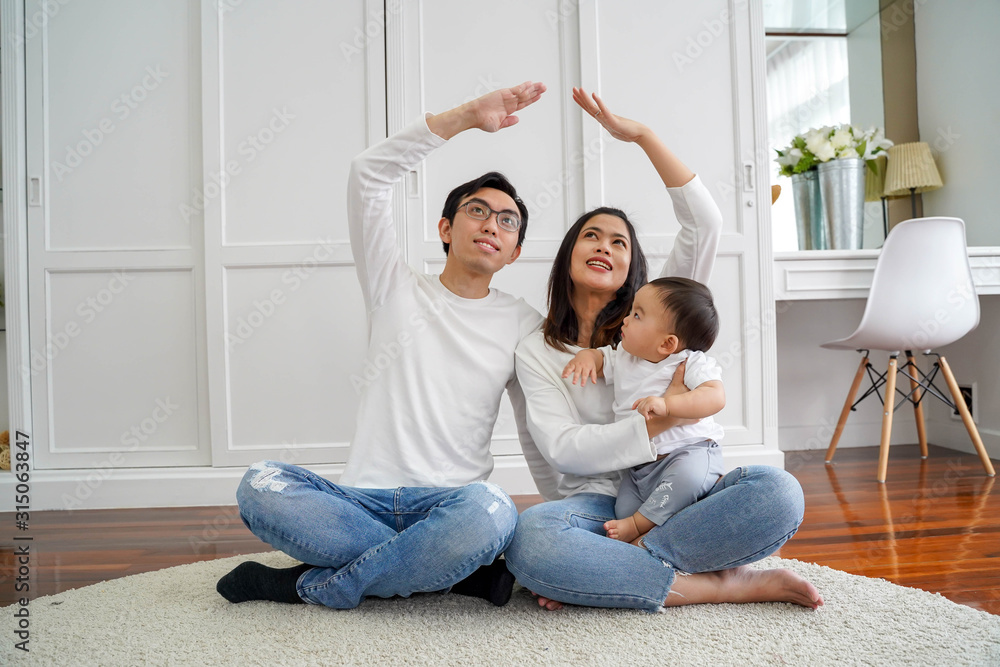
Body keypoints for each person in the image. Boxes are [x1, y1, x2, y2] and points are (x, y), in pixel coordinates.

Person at [215, 81, 550, 609]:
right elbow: (367, 175)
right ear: (446, 227)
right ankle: (452, 577)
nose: (492, 224)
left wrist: (566, 513)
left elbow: (538, 427)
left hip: (451, 505)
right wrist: (464, 117)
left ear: (514, 252)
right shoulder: (392, 284)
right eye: (478, 211)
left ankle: (302, 585)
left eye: (507, 221)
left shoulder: (523, 322)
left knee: (495, 510)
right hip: (359, 501)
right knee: (260, 485)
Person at [506, 88, 823, 612]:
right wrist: (652, 424)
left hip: (682, 486)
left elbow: (705, 223)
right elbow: (563, 449)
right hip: (598, 506)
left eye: (619, 242)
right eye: (592, 236)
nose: (605, 246)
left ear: (634, 269)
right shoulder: (535, 349)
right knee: (533, 537)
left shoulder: (658, 323)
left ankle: (610, 574)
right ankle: (722, 584)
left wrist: (643, 137)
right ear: (568, 255)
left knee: (779, 491)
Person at [562, 276, 726, 545]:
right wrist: (587, 357)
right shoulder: (625, 356)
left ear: (666, 344)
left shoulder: (689, 362)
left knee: (687, 479)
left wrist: (668, 404)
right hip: (641, 466)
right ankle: (653, 537)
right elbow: (602, 359)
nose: (625, 320)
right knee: (624, 510)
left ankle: (641, 525)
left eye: (637, 315)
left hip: (688, 453)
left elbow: (715, 396)